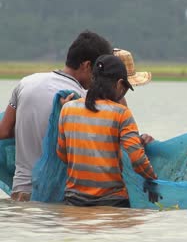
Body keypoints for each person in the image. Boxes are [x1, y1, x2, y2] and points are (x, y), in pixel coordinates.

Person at [0, 31, 112, 201]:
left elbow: (4, 131)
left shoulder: (25, 83)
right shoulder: (82, 100)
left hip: (21, 192)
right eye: (98, 71)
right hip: (59, 197)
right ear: (87, 66)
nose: (98, 79)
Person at [57, 54, 157, 207]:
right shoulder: (121, 113)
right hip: (112, 201)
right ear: (119, 84)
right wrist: (153, 179)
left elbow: (63, 154)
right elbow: (137, 158)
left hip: (74, 201)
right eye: (125, 88)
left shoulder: (67, 109)